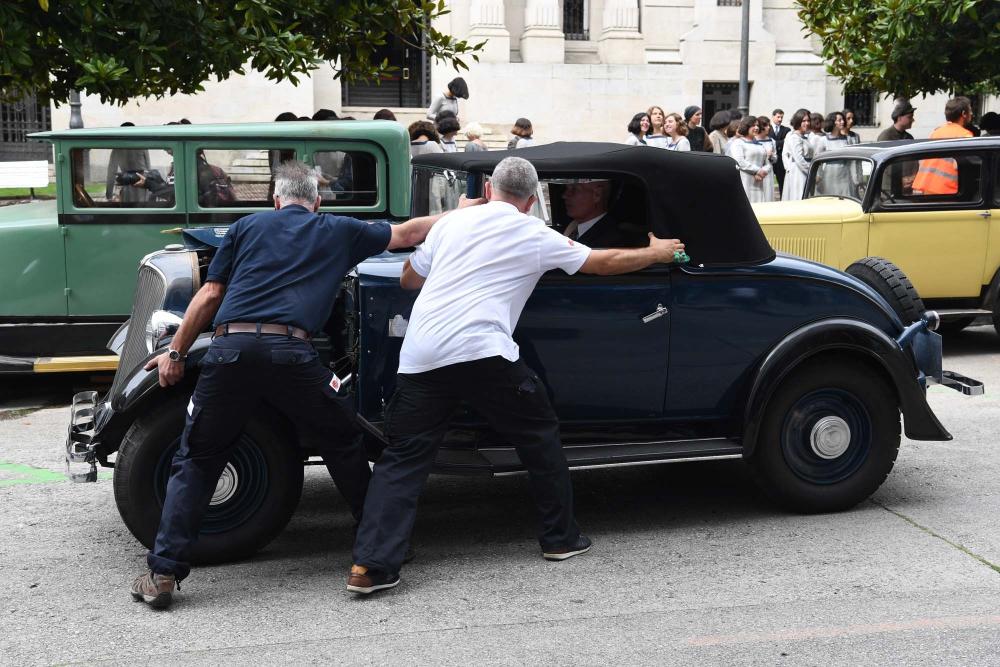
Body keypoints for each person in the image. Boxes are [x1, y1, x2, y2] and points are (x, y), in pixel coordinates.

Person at [347, 157, 685, 595]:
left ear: (489, 190)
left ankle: (371, 566)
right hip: (483, 351)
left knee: (403, 459)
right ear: (529, 202)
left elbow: (410, 278)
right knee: (538, 433)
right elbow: (602, 262)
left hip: (422, 354)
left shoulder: (451, 224)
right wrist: (656, 254)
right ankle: (560, 539)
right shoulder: (532, 232)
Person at [128, 162, 452, 609]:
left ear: (275, 200)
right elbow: (409, 233)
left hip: (229, 350)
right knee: (343, 441)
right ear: (316, 201)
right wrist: (465, 212)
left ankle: (163, 572)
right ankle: (377, 547)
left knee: (198, 458)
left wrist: (176, 353)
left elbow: (209, 295)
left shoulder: (244, 226)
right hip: (291, 354)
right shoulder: (338, 228)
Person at [912, 96, 975, 195]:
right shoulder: (965, 135)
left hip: (925, 189)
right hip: (947, 192)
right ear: (963, 114)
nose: (972, 113)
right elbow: (969, 166)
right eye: (970, 110)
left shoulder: (936, 132)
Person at [561, 180, 642, 247]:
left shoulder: (614, 240)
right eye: (567, 189)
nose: (565, 195)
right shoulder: (573, 228)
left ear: (597, 195)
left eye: (575, 189)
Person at [105, 122, 151, 205]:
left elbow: (111, 171)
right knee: (142, 211)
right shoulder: (142, 145)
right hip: (140, 185)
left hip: (128, 184)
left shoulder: (117, 148)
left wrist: (109, 194)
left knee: (127, 211)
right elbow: (149, 168)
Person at [729, 117, 771, 203]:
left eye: (757, 125)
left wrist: (763, 171)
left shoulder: (760, 145)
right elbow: (739, 161)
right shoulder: (738, 143)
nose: (756, 128)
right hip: (745, 180)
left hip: (759, 181)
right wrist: (757, 171)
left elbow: (767, 163)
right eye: (753, 125)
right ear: (746, 126)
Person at [781, 109, 813, 201]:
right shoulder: (795, 137)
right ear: (798, 121)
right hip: (799, 172)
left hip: (804, 170)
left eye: (808, 121)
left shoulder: (805, 137)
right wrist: (811, 172)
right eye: (804, 121)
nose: (807, 123)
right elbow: (799, 159)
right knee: (799, 195)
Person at [755, 116, 778, 202]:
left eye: (769, 125)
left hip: (768, 172)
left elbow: (775, 159)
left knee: (768, 193)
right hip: (757, 170)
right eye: (766, 125)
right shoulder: (753, 140)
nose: (768, 127)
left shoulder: (771, 141)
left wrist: (771, 156)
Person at [769, 109, 790, 193]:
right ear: (773, 117)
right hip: (770, 160)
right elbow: (769, 143)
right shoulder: (767, 129)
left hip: (781, 161)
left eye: (781, 117)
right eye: (778, 117)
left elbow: (787, 143)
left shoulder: (786, 130)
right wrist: (782, 142)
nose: (780, 119)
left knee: (782, 184)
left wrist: (774, 143)